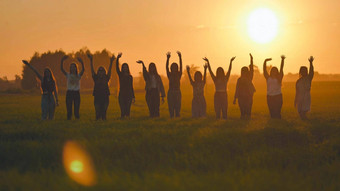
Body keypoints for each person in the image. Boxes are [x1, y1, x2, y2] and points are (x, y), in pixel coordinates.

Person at [87, 53, 114, 120]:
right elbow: (92, 70)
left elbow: (110, 70)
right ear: (98, 72)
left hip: (105, 97)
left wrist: (111, 62)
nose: (101, 72)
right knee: (98, 113)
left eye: (102, 70)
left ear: (104, 72)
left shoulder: (106, 78)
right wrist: (91, 60)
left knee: (104, 113)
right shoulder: (95, 78)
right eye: (99, 70)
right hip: (97, 97)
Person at [60, 55, 85, 120]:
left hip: (76, 93)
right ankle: (69, 119)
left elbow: (83, 70)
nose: (72, 68)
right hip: (69, 93)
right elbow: (62, 69)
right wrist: (62, 60)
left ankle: (77, 119)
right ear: (70, 68)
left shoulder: (78, 75)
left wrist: (82, 62)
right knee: (69, 109)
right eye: (71, 67)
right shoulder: (68, 75)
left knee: (76, 109)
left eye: (74, 67)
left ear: (76, 68)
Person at [233, 53, 256, 119]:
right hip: (241, 97)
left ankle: (247, 122)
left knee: (248, 111)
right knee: (242, 112)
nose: (244, 72)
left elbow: (251, 69)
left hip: (248, 97)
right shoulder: (239, 80)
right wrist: (235, 98)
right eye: (243, 71)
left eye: (245, 71)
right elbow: (237, 89)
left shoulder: (249, 78)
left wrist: (251, 59)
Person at [116, 53, 135, 118]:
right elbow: (117, 69)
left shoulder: (130, 77)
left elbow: (131, 87)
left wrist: (133, 96)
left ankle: (127, 122)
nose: (125, 68)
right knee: (122, 110)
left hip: (129, 95)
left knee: (127, 110)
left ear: (128, 68)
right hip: (122, 94)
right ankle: (122, 121)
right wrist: (117, 59)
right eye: (124, 67)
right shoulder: (120, 75)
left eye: (126, 67)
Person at [166, 51, 182, 118]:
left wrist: (180, 57)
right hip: (171, 92)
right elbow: (166, 68)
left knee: (178, 107)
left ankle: (177, 117)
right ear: (171, 68)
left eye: (175, 67)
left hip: (177, 92)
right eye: (173, 67)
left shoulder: (179, 74)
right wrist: (168, 59)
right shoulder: (170, 75)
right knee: (171, 107)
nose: (174, 69)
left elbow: (181, 66)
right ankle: (172, 117)